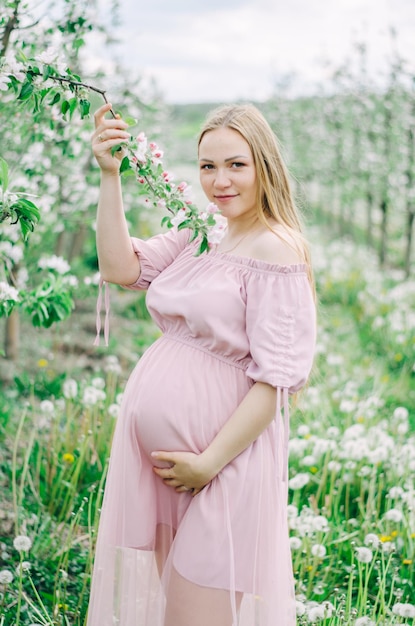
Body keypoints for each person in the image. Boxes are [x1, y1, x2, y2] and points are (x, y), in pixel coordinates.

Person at [87, 102, 316, 626]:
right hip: (172, 469)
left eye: (236, 165)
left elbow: (275, 381)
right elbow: (120, 267)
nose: (220, 181)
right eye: (208, 166)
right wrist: (109, 176)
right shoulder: (201, 230)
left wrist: (208, 464)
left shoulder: (277, 250)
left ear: (265, 165)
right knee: (178, 613)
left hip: (223, 468)